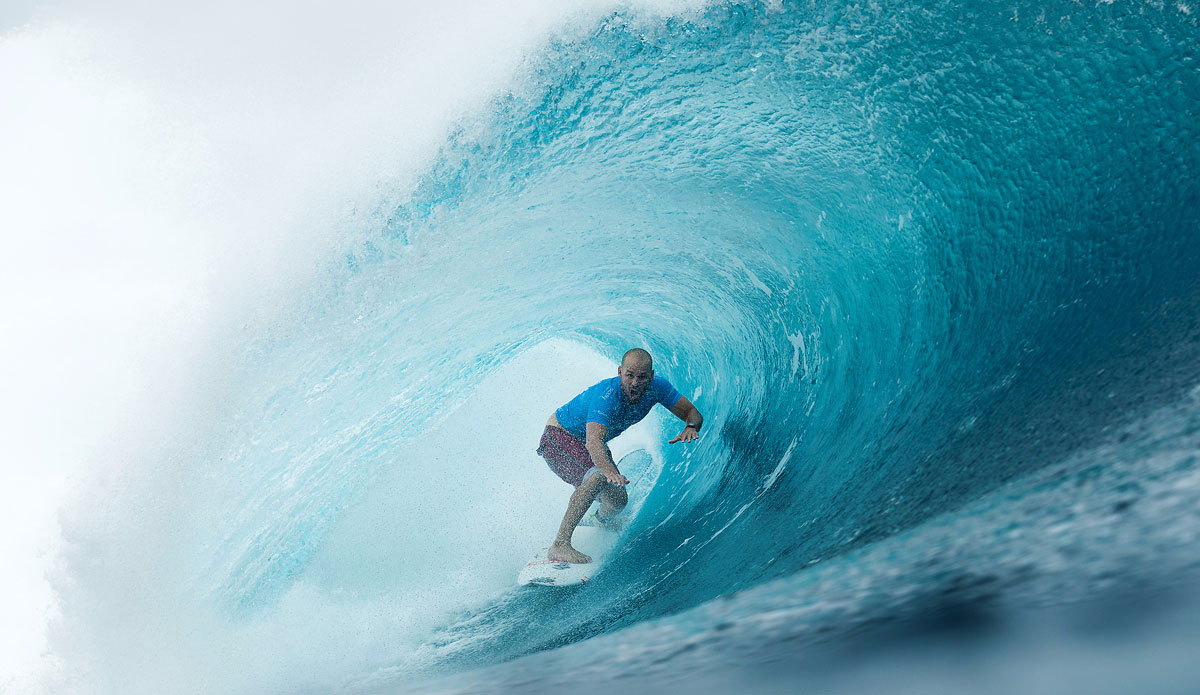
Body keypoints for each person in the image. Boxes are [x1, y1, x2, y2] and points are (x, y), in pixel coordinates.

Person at [535, 348, 703, 563]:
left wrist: (691, 427)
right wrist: (608, 471)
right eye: (629, 375)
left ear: (651, 376)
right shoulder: (607, 397)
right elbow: (594, 441)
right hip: (559, 438)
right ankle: (560, 545)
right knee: (598, 476)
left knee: (618, 500)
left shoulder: (657, 387)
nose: (635, 383)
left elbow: (692, 413)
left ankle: (600, 521)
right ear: (619, 372)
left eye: (642, 377)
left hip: (587, 443)